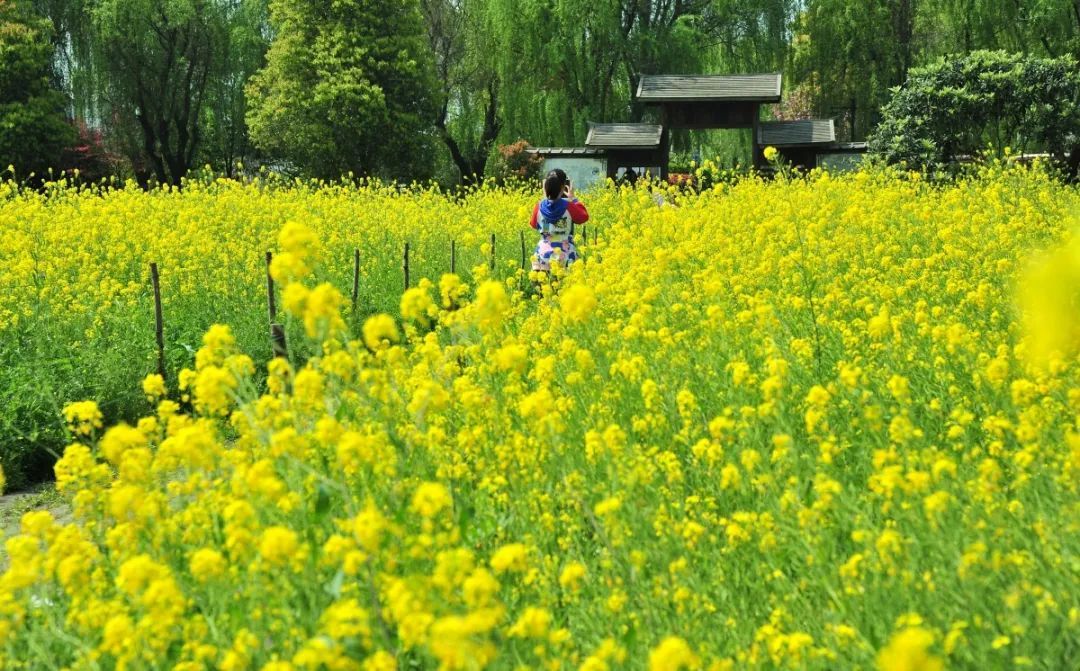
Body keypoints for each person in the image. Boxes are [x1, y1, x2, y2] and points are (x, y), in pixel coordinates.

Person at [529, 169, 589, 272]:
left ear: (545, 186)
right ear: (562, 188)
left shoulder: (539, 206)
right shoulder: (569, 206)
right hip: (565, 254)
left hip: (543, 254)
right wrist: (574, 199)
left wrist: (545, 199)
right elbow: (583, 217)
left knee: (543, 286)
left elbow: (533, 224)